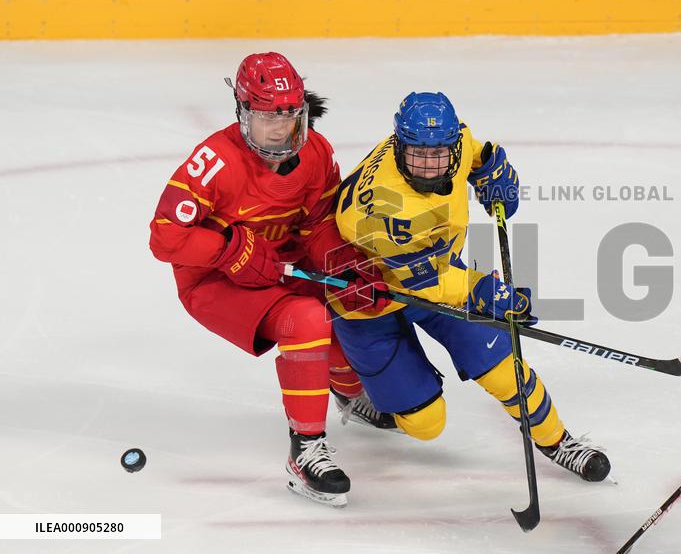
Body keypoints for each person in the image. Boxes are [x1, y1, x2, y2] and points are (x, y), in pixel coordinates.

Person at [148, 52, 393, 507]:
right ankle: (305, 451)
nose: (280, 129)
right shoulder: (213, 162)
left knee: (349, 298)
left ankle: (347, 390)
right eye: (266, 117)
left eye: (289, 116)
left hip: (283, 264)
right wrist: (228, 250)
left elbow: (319, 223)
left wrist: (341, 267)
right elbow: (164, 237)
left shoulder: (317, 152)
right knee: (306, 319)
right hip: (215, 282)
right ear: (242, 113)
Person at [328, 91, 612, 482]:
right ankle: (345, 377)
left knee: (501, 368)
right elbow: (429, 285)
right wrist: (484, 292)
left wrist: (490, 170)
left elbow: (477, 153)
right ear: (399, 145)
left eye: (438, 155)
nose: (430, 166)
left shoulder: (454, 142)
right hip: (367, 299)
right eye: (418, 155)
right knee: (426, 424)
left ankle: (558, 441)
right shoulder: (383, 208)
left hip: (434, 268)